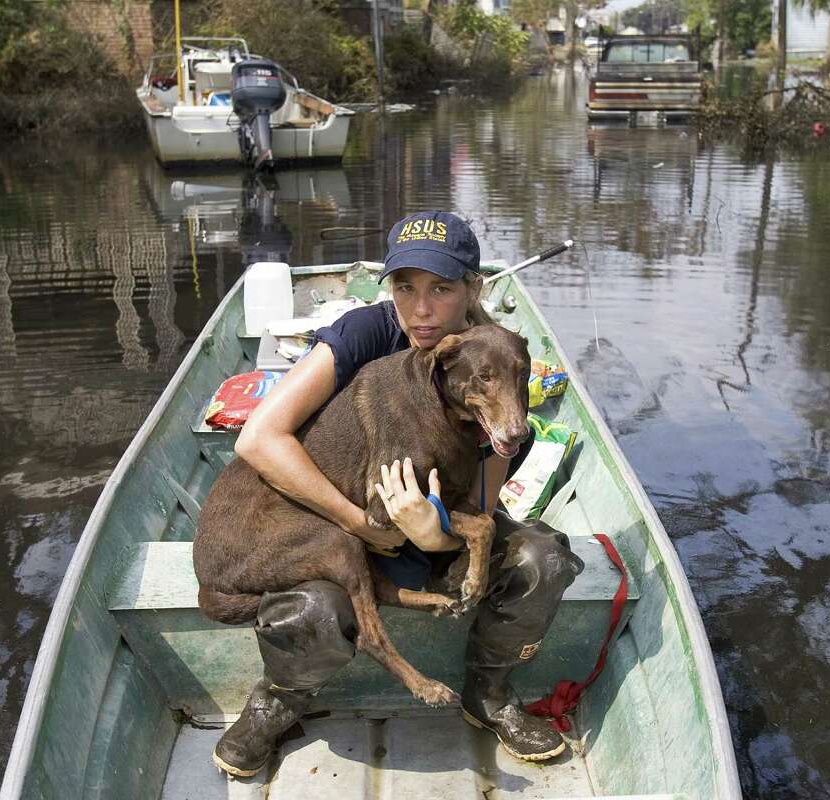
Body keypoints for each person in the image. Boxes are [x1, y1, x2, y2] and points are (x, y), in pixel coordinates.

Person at [213, 211, 584, 776]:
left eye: (441, 288)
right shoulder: (367, 333)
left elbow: (478, 508)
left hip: (441, 522)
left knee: (544, 558)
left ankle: (488, 692)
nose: (421, 308)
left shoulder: (497, 364)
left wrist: (430, 534)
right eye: (404, 287)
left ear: (473, 288)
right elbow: (260, 438)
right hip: (346, 517)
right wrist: (360, 525)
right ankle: (279, 699)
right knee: (314, 603)